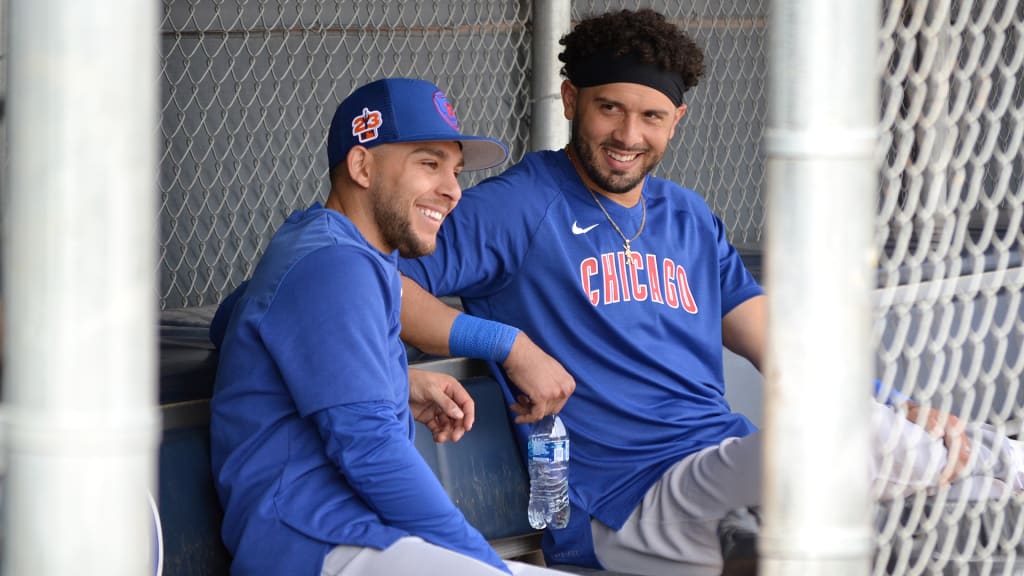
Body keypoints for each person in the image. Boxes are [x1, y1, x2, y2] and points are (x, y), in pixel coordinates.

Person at [396, 9, 1024, 576]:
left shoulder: (687, 217)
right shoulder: (516, 207)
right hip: (622, 501)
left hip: (716, 465)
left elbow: (782, 348)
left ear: (677, 121)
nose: (628, 134)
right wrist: (504, 343)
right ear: (570, 99)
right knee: (843, 448)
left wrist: (899, 403)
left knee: (905, 440)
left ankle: (975, 461)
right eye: (609, 107)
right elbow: (373, 283)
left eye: (652, 116)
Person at [210, 77, 573, 576]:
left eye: (456, 170)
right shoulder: (335, 262)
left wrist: (385, 380)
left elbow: (233, 318)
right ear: (362, 165)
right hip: (317, 544)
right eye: (428, 164)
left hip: (356, 536)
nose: (452, 190)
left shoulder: (325, 244)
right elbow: (371, 452)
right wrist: (490, 567)